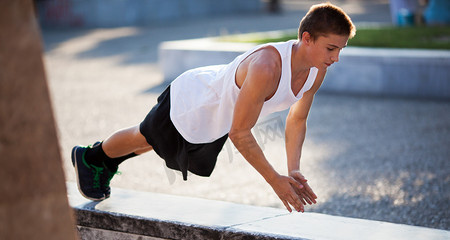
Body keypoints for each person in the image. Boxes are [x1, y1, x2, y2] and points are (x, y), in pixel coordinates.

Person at [71, 2, 356, 213]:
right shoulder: (267, 67)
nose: (336, 57)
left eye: (340, 50)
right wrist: (274, 180)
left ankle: (104, 162)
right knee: (144, 137)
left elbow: (297, 118)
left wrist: (292, 170)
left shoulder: (317, 69)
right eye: (331, 48)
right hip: (195, 101)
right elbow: (240, 133)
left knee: (153, 145)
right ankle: (91, 157)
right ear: (307, 38)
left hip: (216, 117)